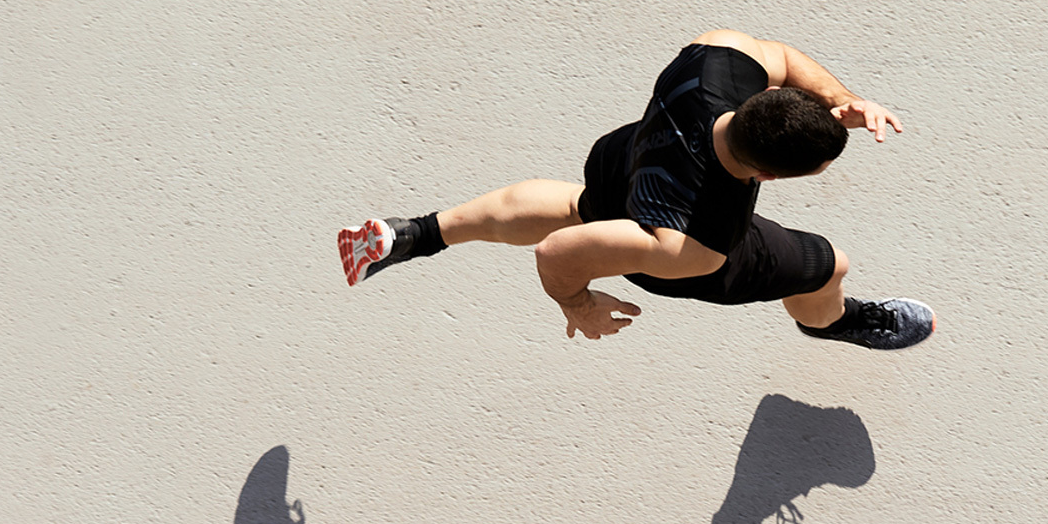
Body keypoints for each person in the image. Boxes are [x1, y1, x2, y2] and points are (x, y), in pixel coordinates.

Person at [337, 30, 935, 350]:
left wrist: (838, 105)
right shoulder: (697, 242)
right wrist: (578, 305)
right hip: (670, 241)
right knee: (829, 264)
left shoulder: (717, 61)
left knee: (580, 207)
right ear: (768, 177)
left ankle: (411, 235)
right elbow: (557, 255)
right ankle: (830, 323)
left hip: (627, 163)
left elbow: (777, 54)